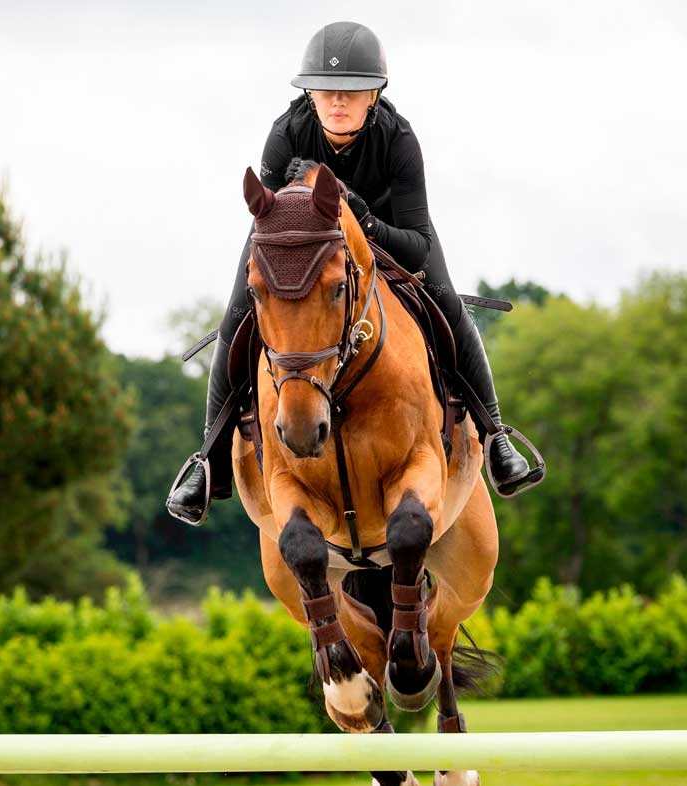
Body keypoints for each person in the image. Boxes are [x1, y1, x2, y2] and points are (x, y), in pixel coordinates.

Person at [167, 20, 534, 525]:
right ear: (310, 94)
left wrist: (362, 218)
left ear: (374, 94)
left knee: (449, 303)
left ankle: (495, 436)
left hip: (390, 235)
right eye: (326, 91)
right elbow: (269, 220)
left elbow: (418, 245)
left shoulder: (399, 139)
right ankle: (206, 461)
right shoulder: (286, 132)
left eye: (352, 92)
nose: (338, 101)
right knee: (236, 316)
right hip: (302, 247)